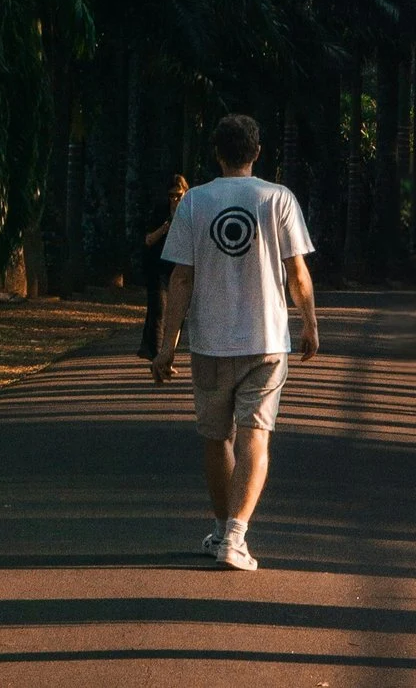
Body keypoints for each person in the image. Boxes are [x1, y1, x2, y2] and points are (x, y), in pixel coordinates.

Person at [152, 110, 317, 572]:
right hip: (266, 340)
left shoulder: (194, 203)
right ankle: (235, 538)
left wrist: (168, 345)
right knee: (255, 436)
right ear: (257, 152)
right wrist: (310, 322)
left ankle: (225, 531)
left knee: (215, 438)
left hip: (209, 342)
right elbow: (297, 271)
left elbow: (180, 278)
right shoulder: (277, 197)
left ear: (217, 153)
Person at [138, 172, 188, 358]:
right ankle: (157, 354)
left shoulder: (191, 211)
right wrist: (167, 225)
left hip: (180, 268)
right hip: (158, 267)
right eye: (171, 195)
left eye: (178, 195)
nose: (175, 199)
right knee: (159, 309)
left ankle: (166, 349)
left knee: (177, 311)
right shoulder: (160, 211)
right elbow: (149, 239)